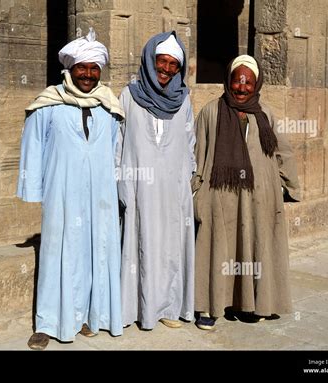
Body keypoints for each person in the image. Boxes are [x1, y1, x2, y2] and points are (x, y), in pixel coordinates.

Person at [17, 28, 125, 349]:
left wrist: (118, 191)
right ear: (70, 69)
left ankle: (91, 316)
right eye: (82, 68)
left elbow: (116, 152)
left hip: (100, 195)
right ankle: (48, 323)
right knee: (56, 252)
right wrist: (34, 190)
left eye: (94, 69)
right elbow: (33, 147)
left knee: (97, 249)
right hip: (61, 193)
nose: (88, 75)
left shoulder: (110, 107)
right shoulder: (48, 104)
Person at [192, 55, 301, 330]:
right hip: (221, 194)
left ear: (256, 84)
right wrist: (194, 191)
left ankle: (251, 304)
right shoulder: (210, 112)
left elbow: (282, 152)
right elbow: (197, 153)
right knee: (218, 248)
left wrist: (290, 187)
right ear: (228, 81)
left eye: (248, 83)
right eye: (236, 81)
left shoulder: (266, 114)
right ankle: (210, 307)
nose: (241, 88)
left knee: (253, 248)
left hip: (259, 196)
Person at [117, 31, 195, 330]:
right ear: (150, 61)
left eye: (173, 65)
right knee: (139, 244)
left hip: (172, 190)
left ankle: (167, 307)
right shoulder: (129, 96)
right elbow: (119, 142)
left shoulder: (184, 100)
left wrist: (185, 179)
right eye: (161, 62)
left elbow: (190, 143)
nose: (166, 69)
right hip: (139, 187)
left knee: (169, 247)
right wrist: (121, 181)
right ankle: (134, 309)